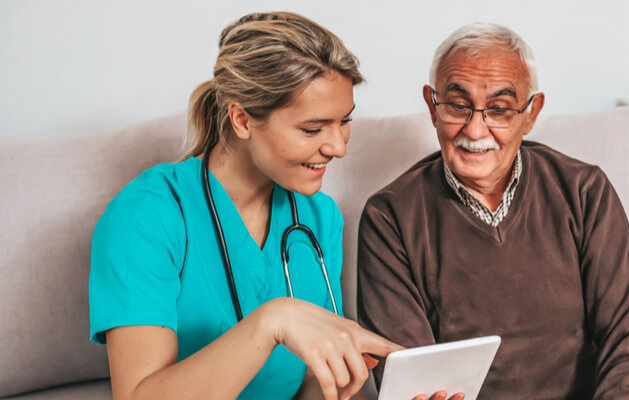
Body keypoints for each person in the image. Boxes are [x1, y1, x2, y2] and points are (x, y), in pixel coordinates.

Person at [88, 12, 399, 400]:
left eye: (344, 122)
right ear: (241, 119)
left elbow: (309, 384)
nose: (338, 147)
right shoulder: (146, 216)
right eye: (312, 129)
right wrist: (272, 321)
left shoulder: (320, 217)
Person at [357, 23, 629, 399]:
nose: (475, 129)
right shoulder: (389, 217)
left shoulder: (584, 191)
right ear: (432, 107)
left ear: (531, 114)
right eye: (457, 105)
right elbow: (412, 378)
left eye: (499, 110)